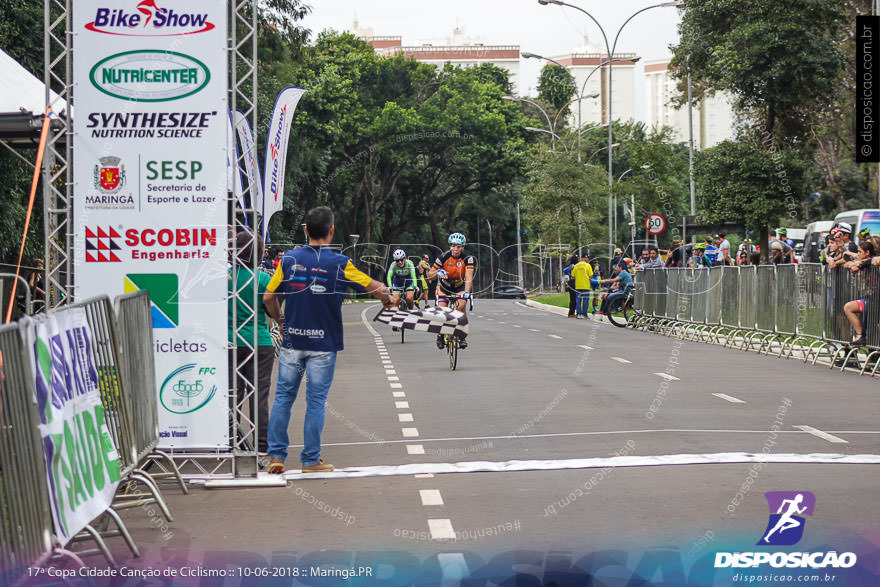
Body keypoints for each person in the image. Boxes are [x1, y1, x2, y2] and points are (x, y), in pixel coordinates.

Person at [263, 207, 391, 474]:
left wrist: (280, 322)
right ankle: (310, 460)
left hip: (292, 342)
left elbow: (268, 296)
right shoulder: (340, 263)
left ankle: (276, 456)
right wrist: (388, 297)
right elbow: (372, 286)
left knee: (283, 398)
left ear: (306, 231)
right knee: (316, 401)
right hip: (323, 344)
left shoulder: (288, 259)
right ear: (332, 231)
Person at [228, 232, 275, 454]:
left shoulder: (224, 279)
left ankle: (233, 440)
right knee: (260, 394)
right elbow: (271, 307)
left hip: (230, 342)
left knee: (233, 394)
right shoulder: (263, 279)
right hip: (260, 341)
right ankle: (262, 443)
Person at [428, 232, 476, 349]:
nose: (455, 249)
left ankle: (462, 335)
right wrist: (437, 272)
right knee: (442, 309)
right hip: (444, 286)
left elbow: (469, 277)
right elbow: (430, 277)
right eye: (453, 246)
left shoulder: (468, 259)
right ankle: (440, 334)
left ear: (462, 247)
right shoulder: (443, 257)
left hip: (459, 286)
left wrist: (466, 293)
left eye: (458, 246)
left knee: (461, 305)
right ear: (450, 246)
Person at [842, 240, 877, 346]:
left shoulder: (871, 261)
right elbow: (846, 264)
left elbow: (865, 263)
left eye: (860, 252)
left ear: (867, 252)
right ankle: (862, 336)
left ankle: (861, 335)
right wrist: (852, 264)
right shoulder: (861, 259)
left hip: (873, 298)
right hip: (866, 297)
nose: (858, 254)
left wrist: (857, 264)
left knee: (848, 307)